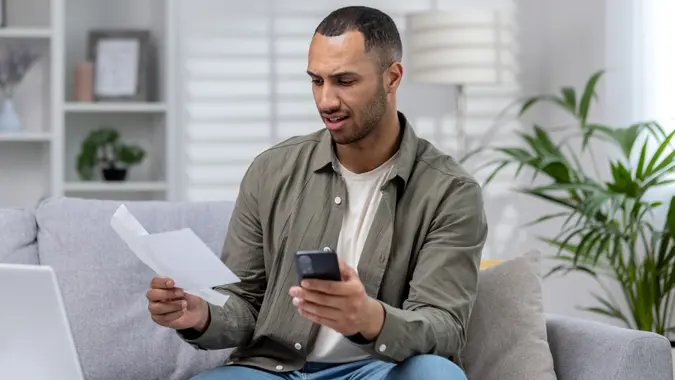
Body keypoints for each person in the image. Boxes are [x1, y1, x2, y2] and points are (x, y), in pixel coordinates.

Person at [145, 5, 487, 380]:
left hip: (381, 370)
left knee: (437, 375)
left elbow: (444, 327)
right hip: (276, 370)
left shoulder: (450, 192)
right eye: (316, 81)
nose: (326, 101)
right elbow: (243, 303)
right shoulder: (271, 170)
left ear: (392, 78)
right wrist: (200, 315)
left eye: (344, 81)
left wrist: (371, 318)